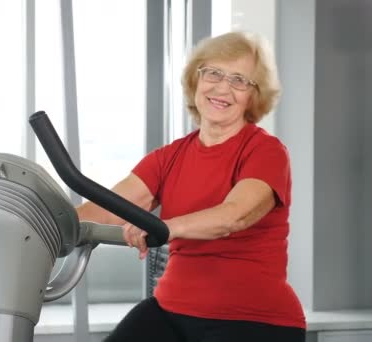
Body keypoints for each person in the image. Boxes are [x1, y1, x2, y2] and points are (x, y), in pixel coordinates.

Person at [76, 31, 306, 342]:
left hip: (252, 319)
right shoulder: (169, 157)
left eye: (240, 80)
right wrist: (44, 225)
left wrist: (163, 226)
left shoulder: (265, 152)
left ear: (254, 95)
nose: (223, 87)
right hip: (171, 312)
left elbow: (233, 216)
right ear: (196, 80)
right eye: (213, 73)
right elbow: (107, 209)